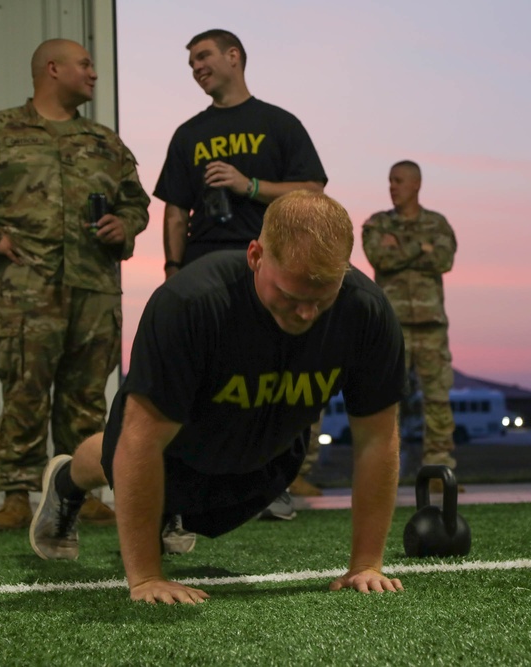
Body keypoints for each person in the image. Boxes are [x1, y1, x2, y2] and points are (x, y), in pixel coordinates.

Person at [29, 191, 406, 604]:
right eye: (292, 296)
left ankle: (169, 507)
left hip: (267, 452)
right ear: (255, 255)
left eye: (321, 298)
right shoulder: (191, 303)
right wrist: (145, 578)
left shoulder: (367, 312)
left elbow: (376, 439)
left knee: (195, 485)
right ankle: (67, 481)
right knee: (119, 451)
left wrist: (366, 564)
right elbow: (141, 442)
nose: (305, 314)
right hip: (173, 443)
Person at [0, 39, 150, 530]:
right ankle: (16, 496)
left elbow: (137, 204)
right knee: (26, 389)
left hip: (94, 288)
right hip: (26, 288)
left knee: (87, 395)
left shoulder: (104, 141)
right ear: (53, 69)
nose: (93, 72)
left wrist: (125, 225)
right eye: (84, 64)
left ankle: (83, 490)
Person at [154, 29, 328, 508]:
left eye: (204, 56)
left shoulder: (278, 123)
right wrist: (173, 269)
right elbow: (173, 211)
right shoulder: (189, 133)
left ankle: (276, 481)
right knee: (199, 378)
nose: (196, 67)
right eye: (191, 62)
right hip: (204, 268)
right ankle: (183, 490)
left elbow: (313, 192)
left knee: (275, 372)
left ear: (235, 57)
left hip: (269, 268)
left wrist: (247, 184)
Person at [362, 161, 458, 485]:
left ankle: (439, 469)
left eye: (399, 181)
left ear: (416, 184)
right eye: (390, 180)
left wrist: (402, 247)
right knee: (387, 400)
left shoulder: (438, 223)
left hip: (431, 325)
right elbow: (380, 258)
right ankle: (385, 471)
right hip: (392, 327)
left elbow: (444, 259)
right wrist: (420, 247)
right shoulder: (377, 224)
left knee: (438, 398)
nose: (392, 186)